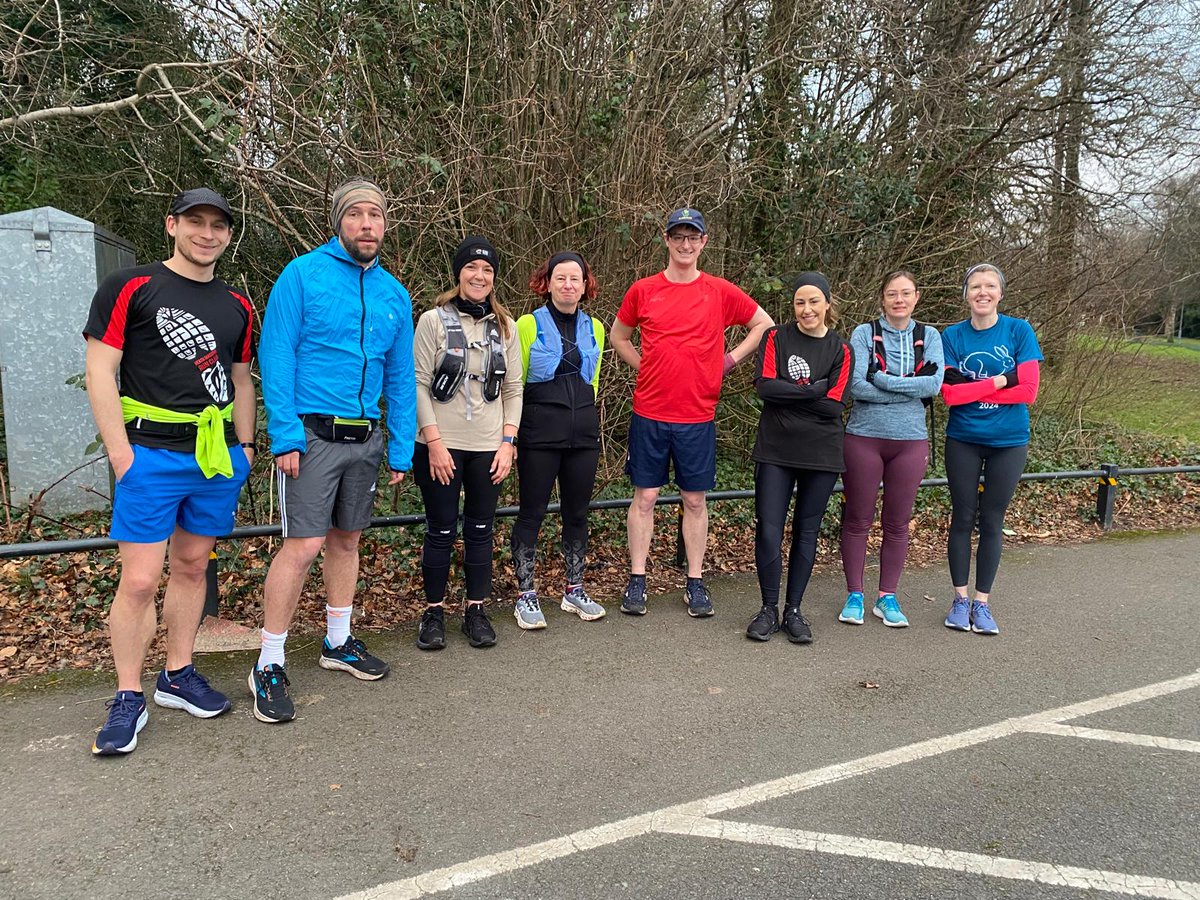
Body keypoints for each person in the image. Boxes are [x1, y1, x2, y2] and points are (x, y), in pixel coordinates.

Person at [83, 188, 255, 755]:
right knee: (138, 581)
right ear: (172, 225)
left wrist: (246, 447)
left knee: (191, 567)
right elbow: (100, 370)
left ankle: (177, 674)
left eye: (218, 225)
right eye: (195, 221)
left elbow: (241, 379)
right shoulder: (130, 286)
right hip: (148, 455)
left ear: (228, 235)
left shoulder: (238, 304)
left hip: (214, 457)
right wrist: (121, 455)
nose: (207, 233)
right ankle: (127, 694)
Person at [254, 178, 416, 723]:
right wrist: (284, 434)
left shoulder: (394, 293)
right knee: (302, 546)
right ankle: (269, 661)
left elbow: (400, 376)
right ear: (339, 221)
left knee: (346, 541)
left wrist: (401, 447)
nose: (367, 224)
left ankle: (338, 640)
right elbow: (277, 354)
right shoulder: (302, 275)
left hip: (366, 438)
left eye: (376, 215)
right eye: (356, 214)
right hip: (312, 436)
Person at [610, 207, 772, 617]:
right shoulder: (643, 290)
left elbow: (763, 323)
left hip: (698, 414)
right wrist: (645, 365)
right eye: (678, 236)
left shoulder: (719, 290)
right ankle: (637, 579)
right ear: (666, 240)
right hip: (650, 411)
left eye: (692, 237)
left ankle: (695, 582)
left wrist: (728, 360)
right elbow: (618, 336)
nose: (685, 244)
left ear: (703, 242)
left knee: (695, 500)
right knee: (645, 496)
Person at [412, 236, 523, 650]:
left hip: (489, 446)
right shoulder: (432, 321)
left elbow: (514, 388)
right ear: (458, 273)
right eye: (472, 268)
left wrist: (508, 442)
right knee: (440, 529)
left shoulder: (506, 326)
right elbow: (418, 383)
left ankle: (476, 610)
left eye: (487, 270)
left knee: (480, 529)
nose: (479, 276)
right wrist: (434, 442)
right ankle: (433, 612)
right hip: (440, 445)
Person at [745, 272, 852, 643]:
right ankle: (768, 609)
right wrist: (813, 390)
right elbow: (765, 387)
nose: (806, 309)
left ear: (827, 304)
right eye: (799, 302)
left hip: (821, 453)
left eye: (813, 301)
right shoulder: (776, 337)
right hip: (775, 450)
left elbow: (834, 405)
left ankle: (793, 610)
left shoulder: (841, 349)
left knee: (807, 532)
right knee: (769, 529)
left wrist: (789, 393)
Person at [940, 263, 1042, 635]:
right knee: (962, 518)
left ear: (1000, 293)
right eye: (975, 286)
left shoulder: (1019, 330)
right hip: (964, 438)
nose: (982, 292)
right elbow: (950, 395)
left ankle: (981, 603)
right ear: (965, 294)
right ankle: (960, 600)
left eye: (989, 286)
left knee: (992, 521)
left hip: (1009, 442)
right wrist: (1002, 379)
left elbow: (1028, 391)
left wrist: (973, 388)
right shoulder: (952, 336)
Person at [838, 270, 944, 629]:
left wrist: (882, 379)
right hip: (864, 438)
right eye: (892, 294)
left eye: (906, 293)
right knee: (857, 519)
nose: (899, 300)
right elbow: (856, 386)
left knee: (897, 523)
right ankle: (855, 595)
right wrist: (907, 388)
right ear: (882, 298)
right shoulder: (864, 333)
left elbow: (933, 384)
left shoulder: (929, 336)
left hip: (910, 442)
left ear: (916, 297)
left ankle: (887, 597)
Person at [510, 252, 607, 629]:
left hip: (582, 436)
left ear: (585, 286)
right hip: (539, 434)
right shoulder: (527, 324)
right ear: (547, 283)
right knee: (531, 512)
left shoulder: (595, 328)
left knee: (577, 513)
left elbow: (592, 382)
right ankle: (525, 593)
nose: (568, 285)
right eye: (560, 278)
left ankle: (574, 588)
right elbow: (515, 384)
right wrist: (511, 436)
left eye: (575, 279)